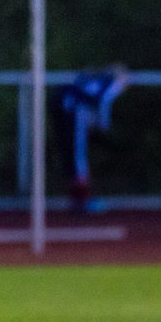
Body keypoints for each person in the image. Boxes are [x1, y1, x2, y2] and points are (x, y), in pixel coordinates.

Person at [55, 65, 129, 213]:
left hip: (67, 113)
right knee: (77, 157)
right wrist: (103, 125)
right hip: (74, 115)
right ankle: (82, 201)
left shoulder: (98, 80)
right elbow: (102, 102)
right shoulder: (112, 84)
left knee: (73, 156)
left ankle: (78, 201)